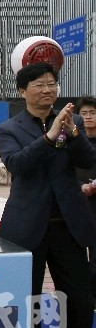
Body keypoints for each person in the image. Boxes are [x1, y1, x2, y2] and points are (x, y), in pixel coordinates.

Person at [0, 62, 96, 328]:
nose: (48, 90)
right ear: (23, 91)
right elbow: (18, 164)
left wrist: (75, 134)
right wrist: (51, 137)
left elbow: (86, 159)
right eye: (39, 84)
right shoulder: (8, 129)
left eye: (52, 84)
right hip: (27, 228)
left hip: (68, 225)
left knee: (79, 299)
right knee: (28, 300)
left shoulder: (73, 120)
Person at [76, 97, 96, 303]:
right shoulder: (72, 139)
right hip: (79, 203)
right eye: (84, 114)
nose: (88, 117)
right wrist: (79, 186)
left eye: (93, 113)